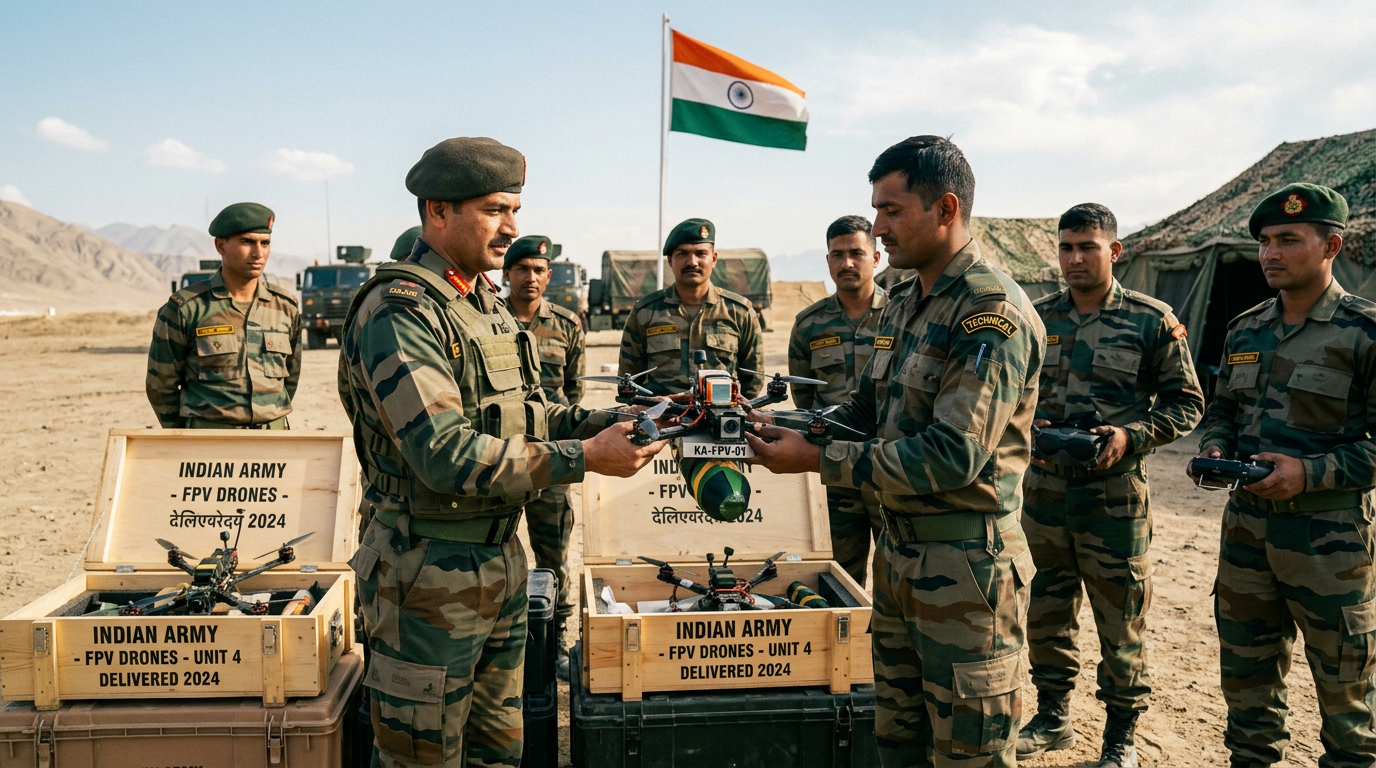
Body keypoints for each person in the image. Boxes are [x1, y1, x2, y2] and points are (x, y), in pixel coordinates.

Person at [338, 137, 664, 767]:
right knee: (420, 759)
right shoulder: (399, 311)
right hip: (424, 574)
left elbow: (526, 413)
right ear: (437, 212)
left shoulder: (481, 302)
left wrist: (615, 417)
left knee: (498, 753)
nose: (511, 228)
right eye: (494, 209)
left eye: (513, 208)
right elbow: (445, 453)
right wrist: (584, 456)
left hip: (499, 559)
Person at [747, 135, 1043, 767]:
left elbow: (949, 455)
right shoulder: (906, 301)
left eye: (891, 210)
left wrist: (814, 459)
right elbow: (866, 409)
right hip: (900, 557)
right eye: (875, 210)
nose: (878, 228)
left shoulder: (989, 312)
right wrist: (793, 428)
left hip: (968, 571)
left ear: (946, 208)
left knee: (969, 753)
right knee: (897, 741)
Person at [1192, 183, 1376, 768]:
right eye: (1265, 241)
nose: (1270, 253)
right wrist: (1219, 447)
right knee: (1246, 690)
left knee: (1348, 702)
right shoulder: (1245, 329)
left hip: (1330, 545)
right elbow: (1222, 411)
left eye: (1288, 240)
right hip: (1246, 536)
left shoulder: (1365, 332)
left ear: (1332, 245)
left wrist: (1311, 472)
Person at [1016, 203, 1204, 768]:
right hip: (1045, 495)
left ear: (1114, 251)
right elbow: (1010, 395)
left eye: (1087, 247)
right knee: (1047, 610)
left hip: (1114, 500)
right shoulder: (1035, 316)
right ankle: (1053, 718)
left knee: (1121, 623)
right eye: (1066, 248)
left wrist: (1131, 435)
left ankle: (1119, 737)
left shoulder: (1150, 319)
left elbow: (1188, 402)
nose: (1074, 259)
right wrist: (1032, 426)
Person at [787, 214, 888, 586]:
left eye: (856, 253)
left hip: (889, 468)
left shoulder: (900, 316)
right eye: (837, 254)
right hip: (834, 474)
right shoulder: (809, 324)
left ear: (876, 258)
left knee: (898, 577)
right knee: (840, 579)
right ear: (828, 261)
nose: (847, 263)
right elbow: (804, 398)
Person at [502, 234, 585, 681]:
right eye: (522, 270)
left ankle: (555, 645)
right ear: (507, 274)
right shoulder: (489, 317)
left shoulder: (568, 324)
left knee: (554, 553)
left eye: (538, 270)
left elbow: (573, 396)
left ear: (548, 275)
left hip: (550, 457)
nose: (530, 278)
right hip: (499, 456)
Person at [146, 202, 301, 429]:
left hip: (273, 444)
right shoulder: (187, 308)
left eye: (265, 243)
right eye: (247, 242)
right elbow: (161, 386)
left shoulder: (285, 308)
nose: (258, 253)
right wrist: (185, 438)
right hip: (211, 446)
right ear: (220, 246)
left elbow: (290, 378)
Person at [618, 218, 764, 397]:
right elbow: (628, 381)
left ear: (714, 259)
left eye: (701, 253)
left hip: (721, 418)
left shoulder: (739, 312)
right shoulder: (645, 312)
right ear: (670, 260)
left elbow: (753, 380)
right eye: (682, 254)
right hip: (663, 420)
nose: (692, 262)